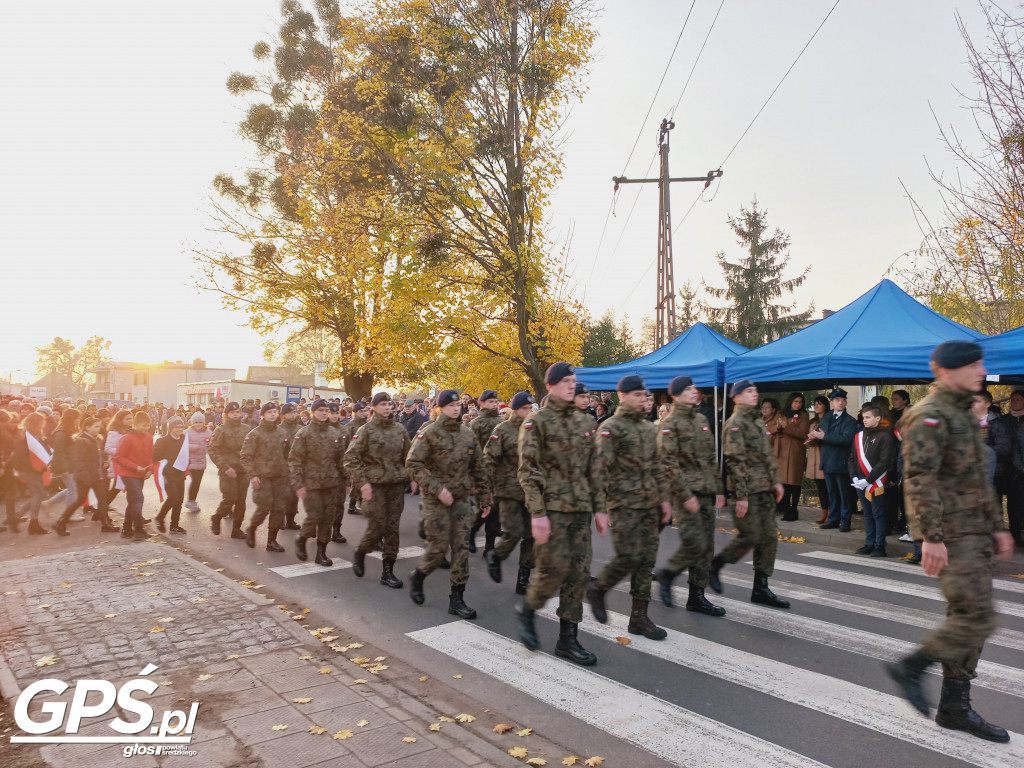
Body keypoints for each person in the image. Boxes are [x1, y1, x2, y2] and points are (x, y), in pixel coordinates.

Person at [886, 340, 1013, 743]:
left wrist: (998, 526)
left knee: (970, 620)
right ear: (946, 371)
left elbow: (977, 480)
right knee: (978, 618)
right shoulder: (928, 415)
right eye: (974, 366)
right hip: (953, 535)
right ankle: (913, 666)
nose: (981, 372)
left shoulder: (963, 414)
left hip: (974, 533)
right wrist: (931, 538)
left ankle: (955, 706)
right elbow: (921, 480)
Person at [516, 363, 605, 666]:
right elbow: (528, 472)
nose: (572, 385)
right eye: (565, 381)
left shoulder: (586, 423)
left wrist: (600, 508)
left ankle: (568, 639)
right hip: (552, 512)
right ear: (550, 385)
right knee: (552, 570)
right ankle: (528, 610)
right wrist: (537, 514)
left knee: (578, 574)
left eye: (574, 381)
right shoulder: (535, 422)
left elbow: (594, 470)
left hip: (579, 511)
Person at [586, 375, 672, 640]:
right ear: (622, 396)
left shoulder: (648, 429)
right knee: (630, 556)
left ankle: (639, 618)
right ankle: (599, 588)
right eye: (637, 395)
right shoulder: (611, 427)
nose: (643, 399)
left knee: (646, 561)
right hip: (623, 504)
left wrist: (665, 499)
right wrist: (601, 508)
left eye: (645, 395)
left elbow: (658, 466)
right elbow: (599, 471)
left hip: (649, 505)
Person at [406, 389, 489, 619]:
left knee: (461, 549)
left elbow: (478, 468)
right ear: (439, 408)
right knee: (438, 549)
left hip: (461, 499)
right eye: (450, 405)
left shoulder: (467, 434)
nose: (455, 408)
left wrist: (485, 498)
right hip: (435, 501)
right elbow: (413, 464)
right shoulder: (429, 432)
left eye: (457, 405)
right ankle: (419, 575)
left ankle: (457, 599)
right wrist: (437, 488)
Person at [708, 380, 790, 609]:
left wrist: (776, 482)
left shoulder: (756, 421)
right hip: (748, 490)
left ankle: (760, 588)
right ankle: (717, 564)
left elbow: (766, 455)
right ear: (736, 397)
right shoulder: (735, 423)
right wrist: (741, 495)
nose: (754, 394)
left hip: (764, 488)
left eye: (755, 390)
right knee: (750, 536)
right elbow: (735, 460)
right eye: (748, 391)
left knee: (769, 538)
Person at [653, 375, 727, 616]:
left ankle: (697, 596)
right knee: (695, 542)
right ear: (676, 395)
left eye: (695, 387)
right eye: (689, 388)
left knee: (706, 547)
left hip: (705, 492)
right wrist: (685, 496)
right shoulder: (670, 424)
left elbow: (709, 457)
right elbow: (668, 464)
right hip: (687, 494)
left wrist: (718, 488)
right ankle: (668, 573)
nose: (694, 391)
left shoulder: (700, 419)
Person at [345, 392, 409, 588]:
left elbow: (410, 456)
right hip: (374, 486)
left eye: (389, 404)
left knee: (392, 528)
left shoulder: (400, 429)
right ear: (373, 407)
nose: (387, 407)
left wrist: (413, 478)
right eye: (382, 404)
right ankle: (362, 551)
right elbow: (350, 459)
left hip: (395, 485)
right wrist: (362, 483)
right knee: (378, 526)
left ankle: (388, 571)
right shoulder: (366, 430)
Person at [483, 391, 536, 595]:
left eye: (530, 408)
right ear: (515, 409)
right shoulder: (502, 429)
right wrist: (486, 488)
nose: (528, 412)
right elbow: (489, 459)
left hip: (530, 491)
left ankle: (523, 579)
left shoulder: (534, 429)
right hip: (508, 490)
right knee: (513, 532)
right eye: (524, 408)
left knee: (531, 537)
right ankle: (496, 556)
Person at [289, 399, 345, 566]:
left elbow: (341, 459)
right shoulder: (304, 433)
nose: (323, 413)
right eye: (320, 410)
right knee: (315, 516)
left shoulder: (335, 434)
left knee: (328, 518)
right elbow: (294, 460)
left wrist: (347, 479)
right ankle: (302, 538)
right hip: (310, 482)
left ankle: (321, 553)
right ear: (312, 412)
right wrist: (298, 483)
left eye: (325, 410)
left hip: (331, 482)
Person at [239, 402, 289, 552]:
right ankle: (252, 528)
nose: (273, 414)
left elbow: (288, 454)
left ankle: (271, 541)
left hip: (280, 476)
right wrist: (252, 476)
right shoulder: (254, 434)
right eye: (269, 412)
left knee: (279, 509)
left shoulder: (282, 433)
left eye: (274, 412)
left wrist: (289, 472)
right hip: (262, 477)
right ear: (262, 415)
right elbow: (245, 457)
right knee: (264, 507)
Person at [849, 405, 896, 557]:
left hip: (876, 482)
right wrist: (854, 477)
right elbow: (852, 459)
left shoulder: (885, 436)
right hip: (861, 483)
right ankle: (869, 543)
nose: (865, 420)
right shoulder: (859, 436)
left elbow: (884, 462)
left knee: (878, 514)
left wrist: (868, 480)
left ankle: (880, 546)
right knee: (867, 514)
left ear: (878, 418)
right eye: (864, 417)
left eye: (868, 417)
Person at [810, 389, 858, 532]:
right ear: (832, 403)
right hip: (828, 460)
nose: (841, 403)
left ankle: (845, 521)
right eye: (838, 400)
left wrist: (823, 437)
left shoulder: (850, 420)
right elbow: (821, 435)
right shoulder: (827, 417)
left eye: (843, 400)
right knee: (832, 493)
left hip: (841, 461)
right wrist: (813, 439)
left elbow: (846, 439)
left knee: (844, 494)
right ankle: (833, 519)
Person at [207, 401, 250, 540]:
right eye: (232, 413)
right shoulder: (221, 430)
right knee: (230, 498)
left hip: (243, 470)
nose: (236, 415)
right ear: (226, 415)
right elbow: (213, 450)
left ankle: (236, 529)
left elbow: (252, 448)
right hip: (228, 471)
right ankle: (217, 517)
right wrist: (225, 467)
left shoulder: (246, 429)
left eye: (237, 412)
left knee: (241, 501)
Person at [467, 389, 502, 554]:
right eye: (490, 402)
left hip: (500, 473)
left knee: (496, 512)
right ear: (482, 403)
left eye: (495, 402)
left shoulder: (502, 422)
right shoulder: (476, 423)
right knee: (486, 507)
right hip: (482, 472)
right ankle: (472, 531)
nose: (494, 404)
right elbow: (471, 451)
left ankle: (489, 547)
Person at [113, 411, 155, 540]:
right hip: (128, 473)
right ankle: (138, 529)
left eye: (147, 425)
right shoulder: (127, 437)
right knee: (138, 499)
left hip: (141, 473)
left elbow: (150, 455)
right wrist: (134, 466)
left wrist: (150, 469)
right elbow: (118, 457)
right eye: (143, 425)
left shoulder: (149, 437)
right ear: (135, 424)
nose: (145, 428)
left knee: (132, 501)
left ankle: (126, 529)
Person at [772, 392, 809, 521]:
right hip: (781, 451)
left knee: (794, 482)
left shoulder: (804, 415)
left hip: (795, 451)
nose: (798, 404)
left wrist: (786, 427)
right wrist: (778, 427)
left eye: (800, 402)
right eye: (796, 401)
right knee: (784, 482)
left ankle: (794, 510)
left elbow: (802, 432)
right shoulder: (781, 413)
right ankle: (786, 509)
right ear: (790, 401)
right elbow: (773, 428)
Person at [151, 416, 189, 534]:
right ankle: (160, 517)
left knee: (179, 500)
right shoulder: (162, 441)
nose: (180, 429)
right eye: (177, 427)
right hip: (167, 474)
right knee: (173, 497)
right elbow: (155, 459)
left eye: (181, 427)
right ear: (171, 428)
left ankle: (174, 525)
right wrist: (162, 475)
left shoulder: (183, 438)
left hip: (179, 473)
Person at [804, 395, 831, 524]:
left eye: (819, 404)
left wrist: (818, 440)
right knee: (819, 486)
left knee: (827, 486)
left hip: (824, 455)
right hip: (813, 456)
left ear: (825, 405)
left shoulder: (828, 420)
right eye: (815, 404)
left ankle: (831, 512)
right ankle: (823, 512)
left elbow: (829, 437)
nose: (816, 406)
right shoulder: (813, 421)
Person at [278, 403, 303, 529]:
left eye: (295, 413)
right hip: (283, 468)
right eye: (290, 413)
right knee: (283, 495)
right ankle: (280, 519)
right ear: (283, 415)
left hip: (296, 468)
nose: (293, 415)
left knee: (294, 496)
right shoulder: (278, 429)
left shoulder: (300, 429)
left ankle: (291, 520)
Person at [184, 412, 210, 513]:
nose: (198, 424)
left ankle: (193, 500)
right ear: (192, 423)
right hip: (191, 462)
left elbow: (212, 443)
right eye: (196, 422)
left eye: (200, 422)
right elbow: (182, 445)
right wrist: (195, 447)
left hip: (202, 462)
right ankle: (190, 500)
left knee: (198, 482)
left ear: (203, 422)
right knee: (195, 481)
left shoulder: (208, 432)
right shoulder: (187, 432)